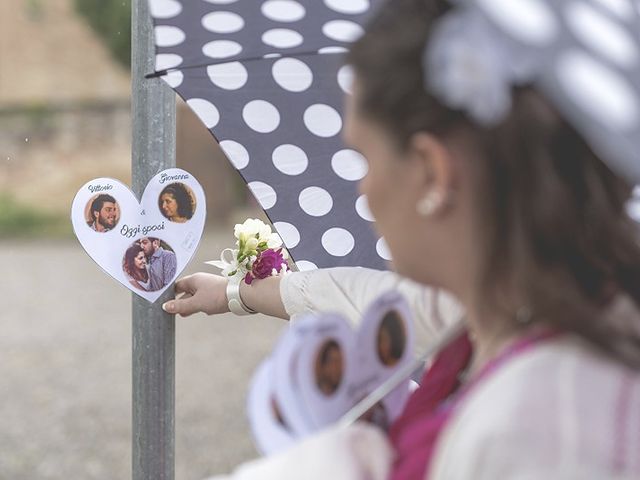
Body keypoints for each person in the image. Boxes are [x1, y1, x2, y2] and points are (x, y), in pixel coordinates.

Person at [164, 0, 640, 478]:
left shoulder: (536, 430)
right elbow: (371, 301)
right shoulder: (520, 301)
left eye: (365, 157)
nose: (363, 187)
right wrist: (233, 291)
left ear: (432, 170)